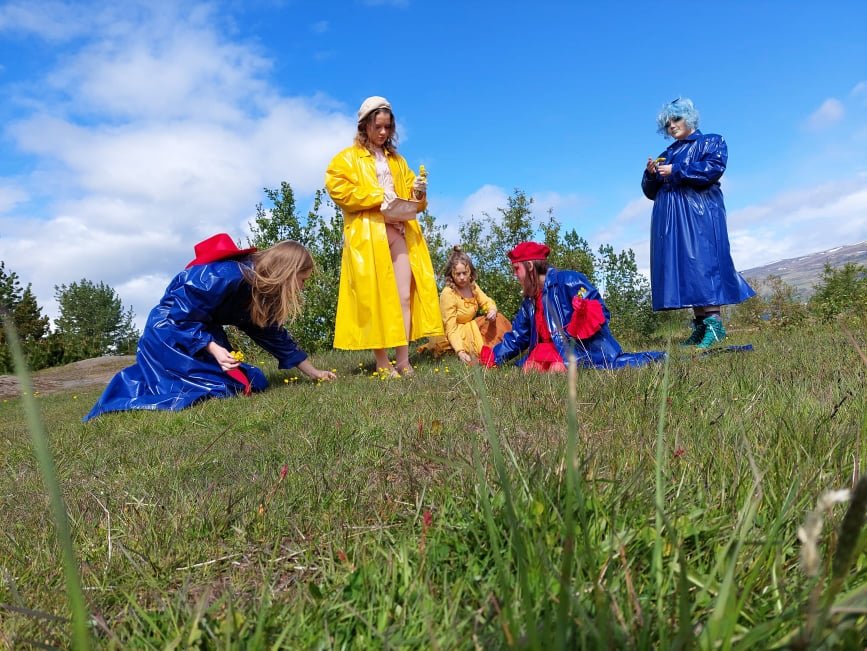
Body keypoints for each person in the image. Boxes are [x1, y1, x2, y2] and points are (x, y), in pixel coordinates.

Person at [84, 234, 336, 420]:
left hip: (202, 334)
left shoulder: (257, 292)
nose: (302, 287)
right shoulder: (226, 275)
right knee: (210, 388)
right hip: (168, 333)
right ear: (288, 273)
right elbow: (180, 315)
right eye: (302, 280)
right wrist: (214, 349)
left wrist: (314, 373)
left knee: (251, 382)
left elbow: (273, 334)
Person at [325, 95, 443, 376]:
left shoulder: (398, 161)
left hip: (399, 230)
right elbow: (339, 191)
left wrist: (419, 193)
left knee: (404, 296)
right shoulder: (346, 159)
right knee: (375, 298)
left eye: (387, 127)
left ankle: (403, 360)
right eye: (377, 126)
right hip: (368, 236)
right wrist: (378, 195)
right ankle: (381, 362)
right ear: (364, 125)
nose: (382, 132)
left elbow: (414, 201)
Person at [641, 97, 755, 349]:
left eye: (676, 119)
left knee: (703, 263)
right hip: (671, 220)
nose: (672, 125)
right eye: (667, 123)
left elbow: (713, 168)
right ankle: (701, 325)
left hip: (699, 213)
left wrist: (676, 170)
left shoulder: (711, 141)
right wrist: (651, 175)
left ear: (689, 118)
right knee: (686, 268)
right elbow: (649, 192)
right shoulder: (666, 154)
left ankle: (715, 326)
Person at [480, 242, 665, 372]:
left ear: (529, 266)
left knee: (557, 369)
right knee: (530, 369)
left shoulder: (568, 280)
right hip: (545, 351)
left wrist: (584, 312)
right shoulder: (529, 301)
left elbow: (601, 313)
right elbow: (518, 336)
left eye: (516, 269)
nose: (514, 275)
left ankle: (659, 358)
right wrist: (493, 358)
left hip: (575, 350)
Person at [422, 246, 512, 364]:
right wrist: (460, 351)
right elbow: (450, 328)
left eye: (465, 273)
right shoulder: (448, 293)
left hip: (470, 326)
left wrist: (492, 310)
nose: (462, 277)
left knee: (498, 319)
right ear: (451, 274)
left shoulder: (472, 286)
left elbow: (486, 301)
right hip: (455, 334)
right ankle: (484, 354)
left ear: (470, 272)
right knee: (474, 339)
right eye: (458, 274)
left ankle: (502, 352)